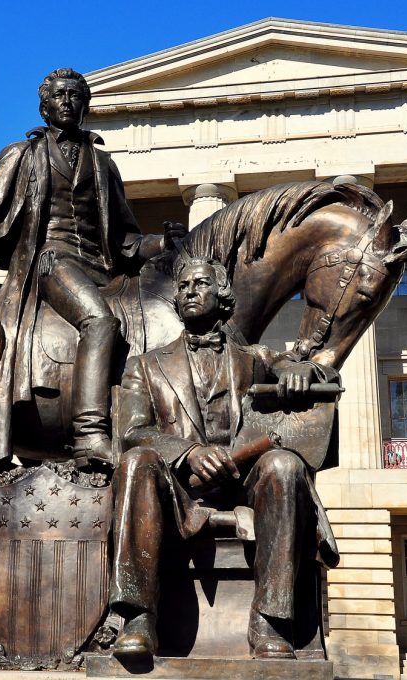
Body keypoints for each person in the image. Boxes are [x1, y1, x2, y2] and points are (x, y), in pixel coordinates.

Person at [0, 67, 185, 469]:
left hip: (101, 268)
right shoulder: (21, 156)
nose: (68, 101)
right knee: (100, 321)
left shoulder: (103, 165)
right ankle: (90, 433)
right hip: (50, 262)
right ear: (44, 105)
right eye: (60, 95)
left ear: (86, 105)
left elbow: (126, 242)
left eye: (76, 95)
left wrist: (164, 242)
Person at [109, 256, 338, 661]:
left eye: (200, 284)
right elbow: (131, 432)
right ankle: (139, 617)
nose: (189, 292)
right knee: (136, 462)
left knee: (284, 465)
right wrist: (189, 453)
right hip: (177, 490)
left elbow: (323, 377)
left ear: (224, 296)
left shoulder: (256, 359)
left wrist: (302, 374)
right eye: (182, 287)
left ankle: (271, 622)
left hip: (245, 487)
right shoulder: (142, 367)